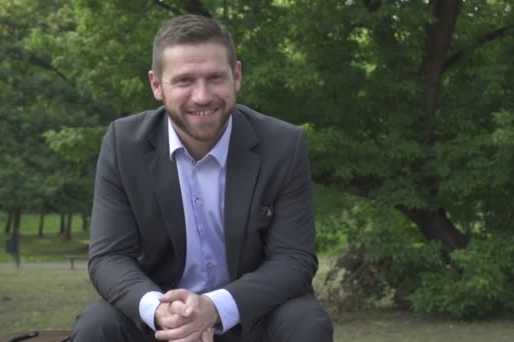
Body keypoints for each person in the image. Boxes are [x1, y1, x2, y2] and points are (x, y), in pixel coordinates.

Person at [71, 14, 333, 342]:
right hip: (161, 322)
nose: (202, 96)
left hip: (252, 318)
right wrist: (159, 311)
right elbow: (109, 257)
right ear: (156, 85)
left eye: (215, 78)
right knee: (98, 325)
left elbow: (294, 260)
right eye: (184, 81)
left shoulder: (283, 145)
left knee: (306, 321)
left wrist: (214, 307)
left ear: (236, 76)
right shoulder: (124, 145)